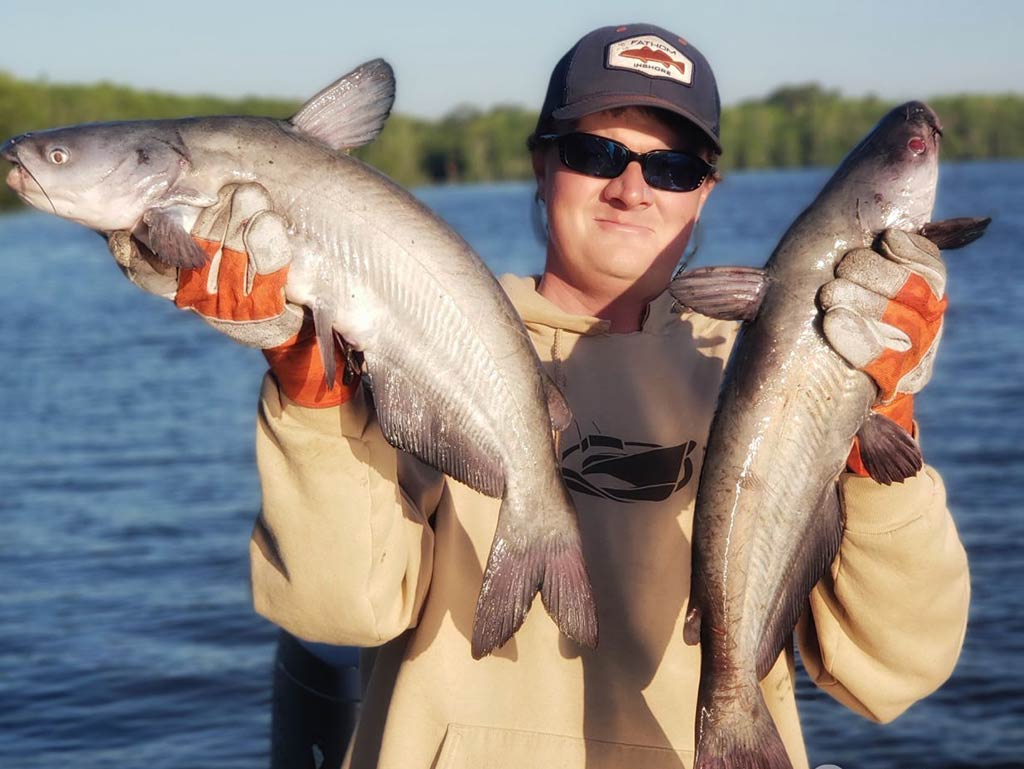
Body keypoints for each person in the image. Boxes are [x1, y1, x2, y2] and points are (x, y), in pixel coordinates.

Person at [110, 22, 970, 769]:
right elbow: (340, 607)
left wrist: (877, 414)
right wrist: (308, 390)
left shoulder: (772, 372)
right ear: (542, 163)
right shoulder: (407, 340)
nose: (632, 188)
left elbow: (891, 669)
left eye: (671, 167)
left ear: (706, 190)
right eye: (598, 154)